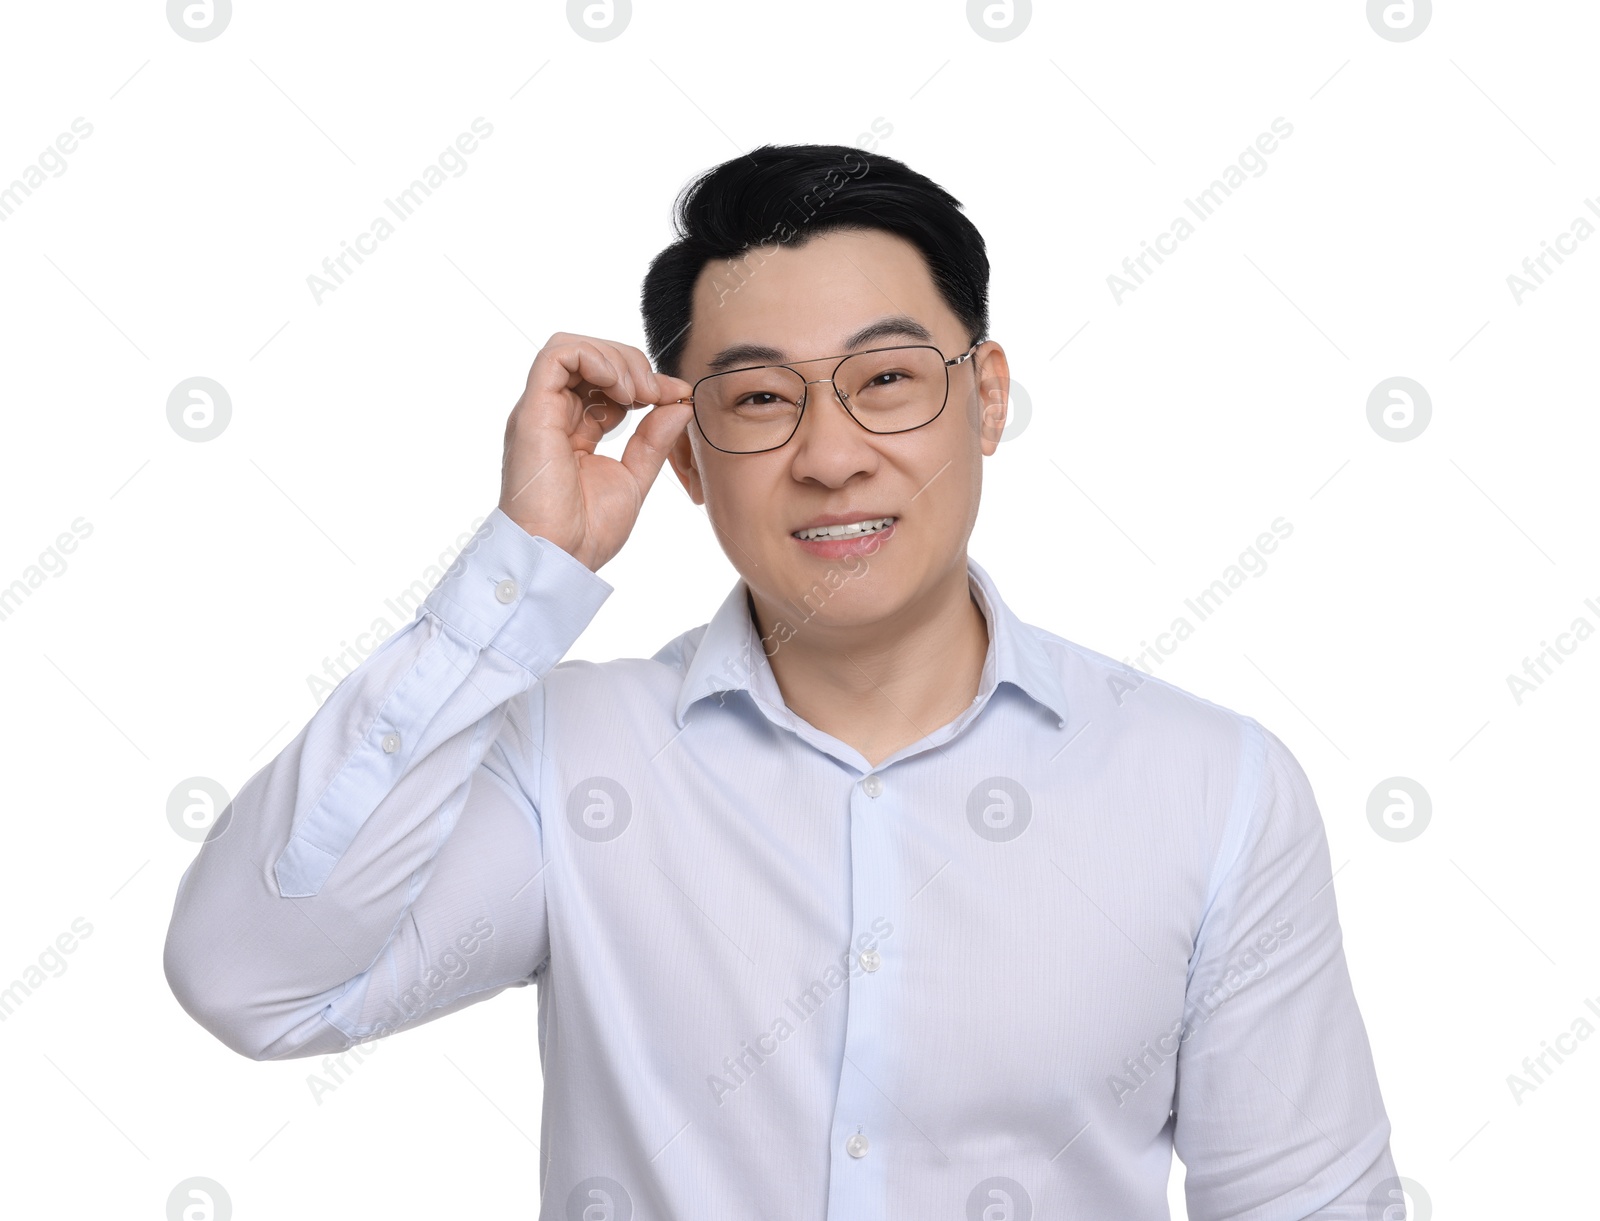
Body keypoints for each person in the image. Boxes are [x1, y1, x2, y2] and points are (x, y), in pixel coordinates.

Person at [163, 144, 1402, 1219]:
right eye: (757, 400)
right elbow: (254, 984)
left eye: (885, 380)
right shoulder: (571, 759)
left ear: (985, 400)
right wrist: (523, 568)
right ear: (690, 460)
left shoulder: (1208, 786)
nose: (827, 456)